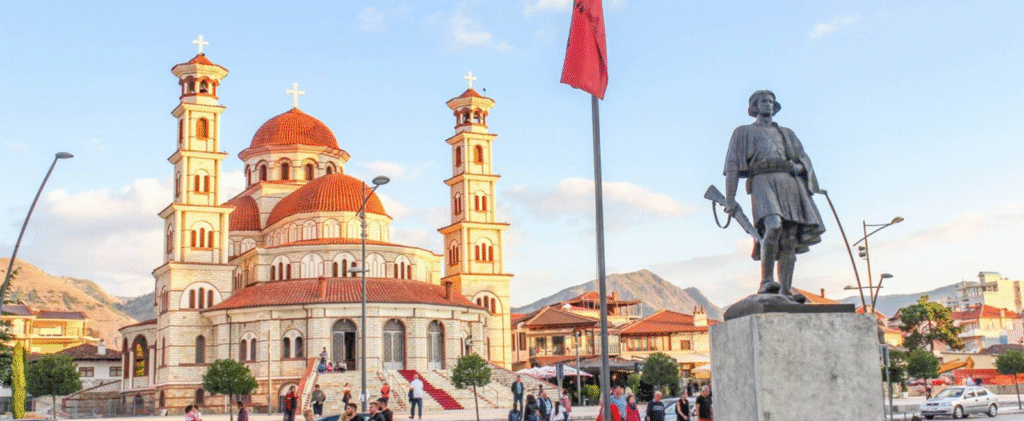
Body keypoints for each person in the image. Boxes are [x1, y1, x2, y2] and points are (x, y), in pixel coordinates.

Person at [723, 89, 825, 296]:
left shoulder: (786, 133)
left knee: (789, 236)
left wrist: (797, 167)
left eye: (771, 101)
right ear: (754, 106)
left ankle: (785, 289)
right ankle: (766, 281)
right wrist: (730, 198)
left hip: (789, 183)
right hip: (762, 180)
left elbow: (804, 161)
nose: (768, 104)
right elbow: (732, 165)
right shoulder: (743, 132)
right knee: (773, 225)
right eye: (763, 101)